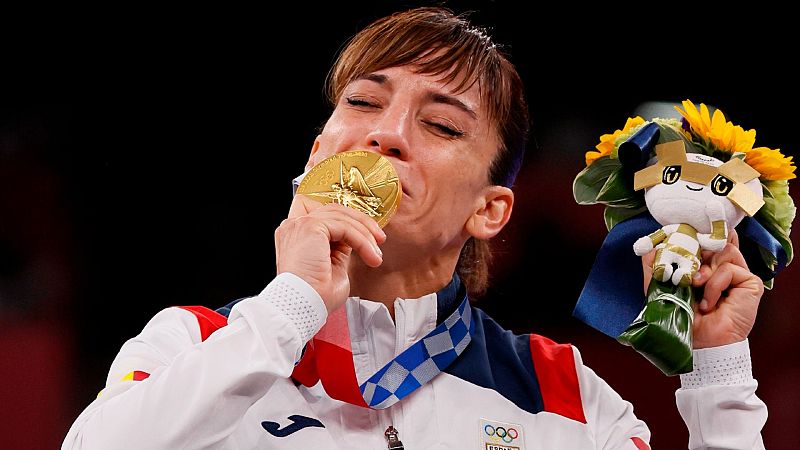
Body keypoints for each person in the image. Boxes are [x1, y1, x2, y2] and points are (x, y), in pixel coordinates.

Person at [62, 7, 767, 449]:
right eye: (363, 103)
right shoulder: (192, 344)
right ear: (316, 155)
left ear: (489, 211)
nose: (389, 135)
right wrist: (287, 311)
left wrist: (720, 372)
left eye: (442, 126)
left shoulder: (564, 397)